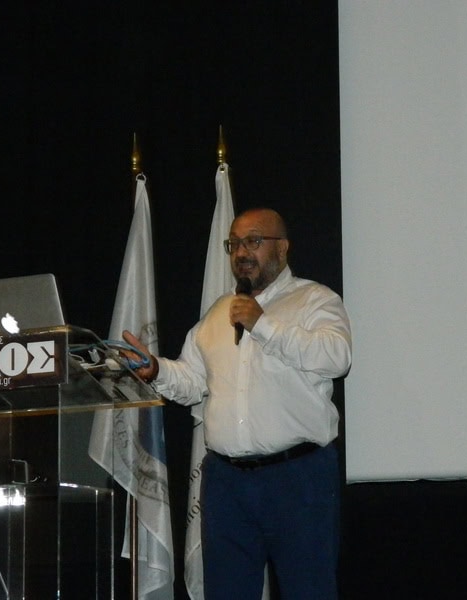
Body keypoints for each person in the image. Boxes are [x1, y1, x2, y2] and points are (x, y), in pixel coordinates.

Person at [122, 207, 352, 600]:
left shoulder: (315, 300)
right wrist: (156, 369)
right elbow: (193, 382)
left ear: (283, 248)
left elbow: (337, 357)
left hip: (299, 478)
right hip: (226, 483)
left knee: (308, 590)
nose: (242, 252)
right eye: (234, 244)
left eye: (254, 241)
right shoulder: (217, 314)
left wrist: (262, 324)